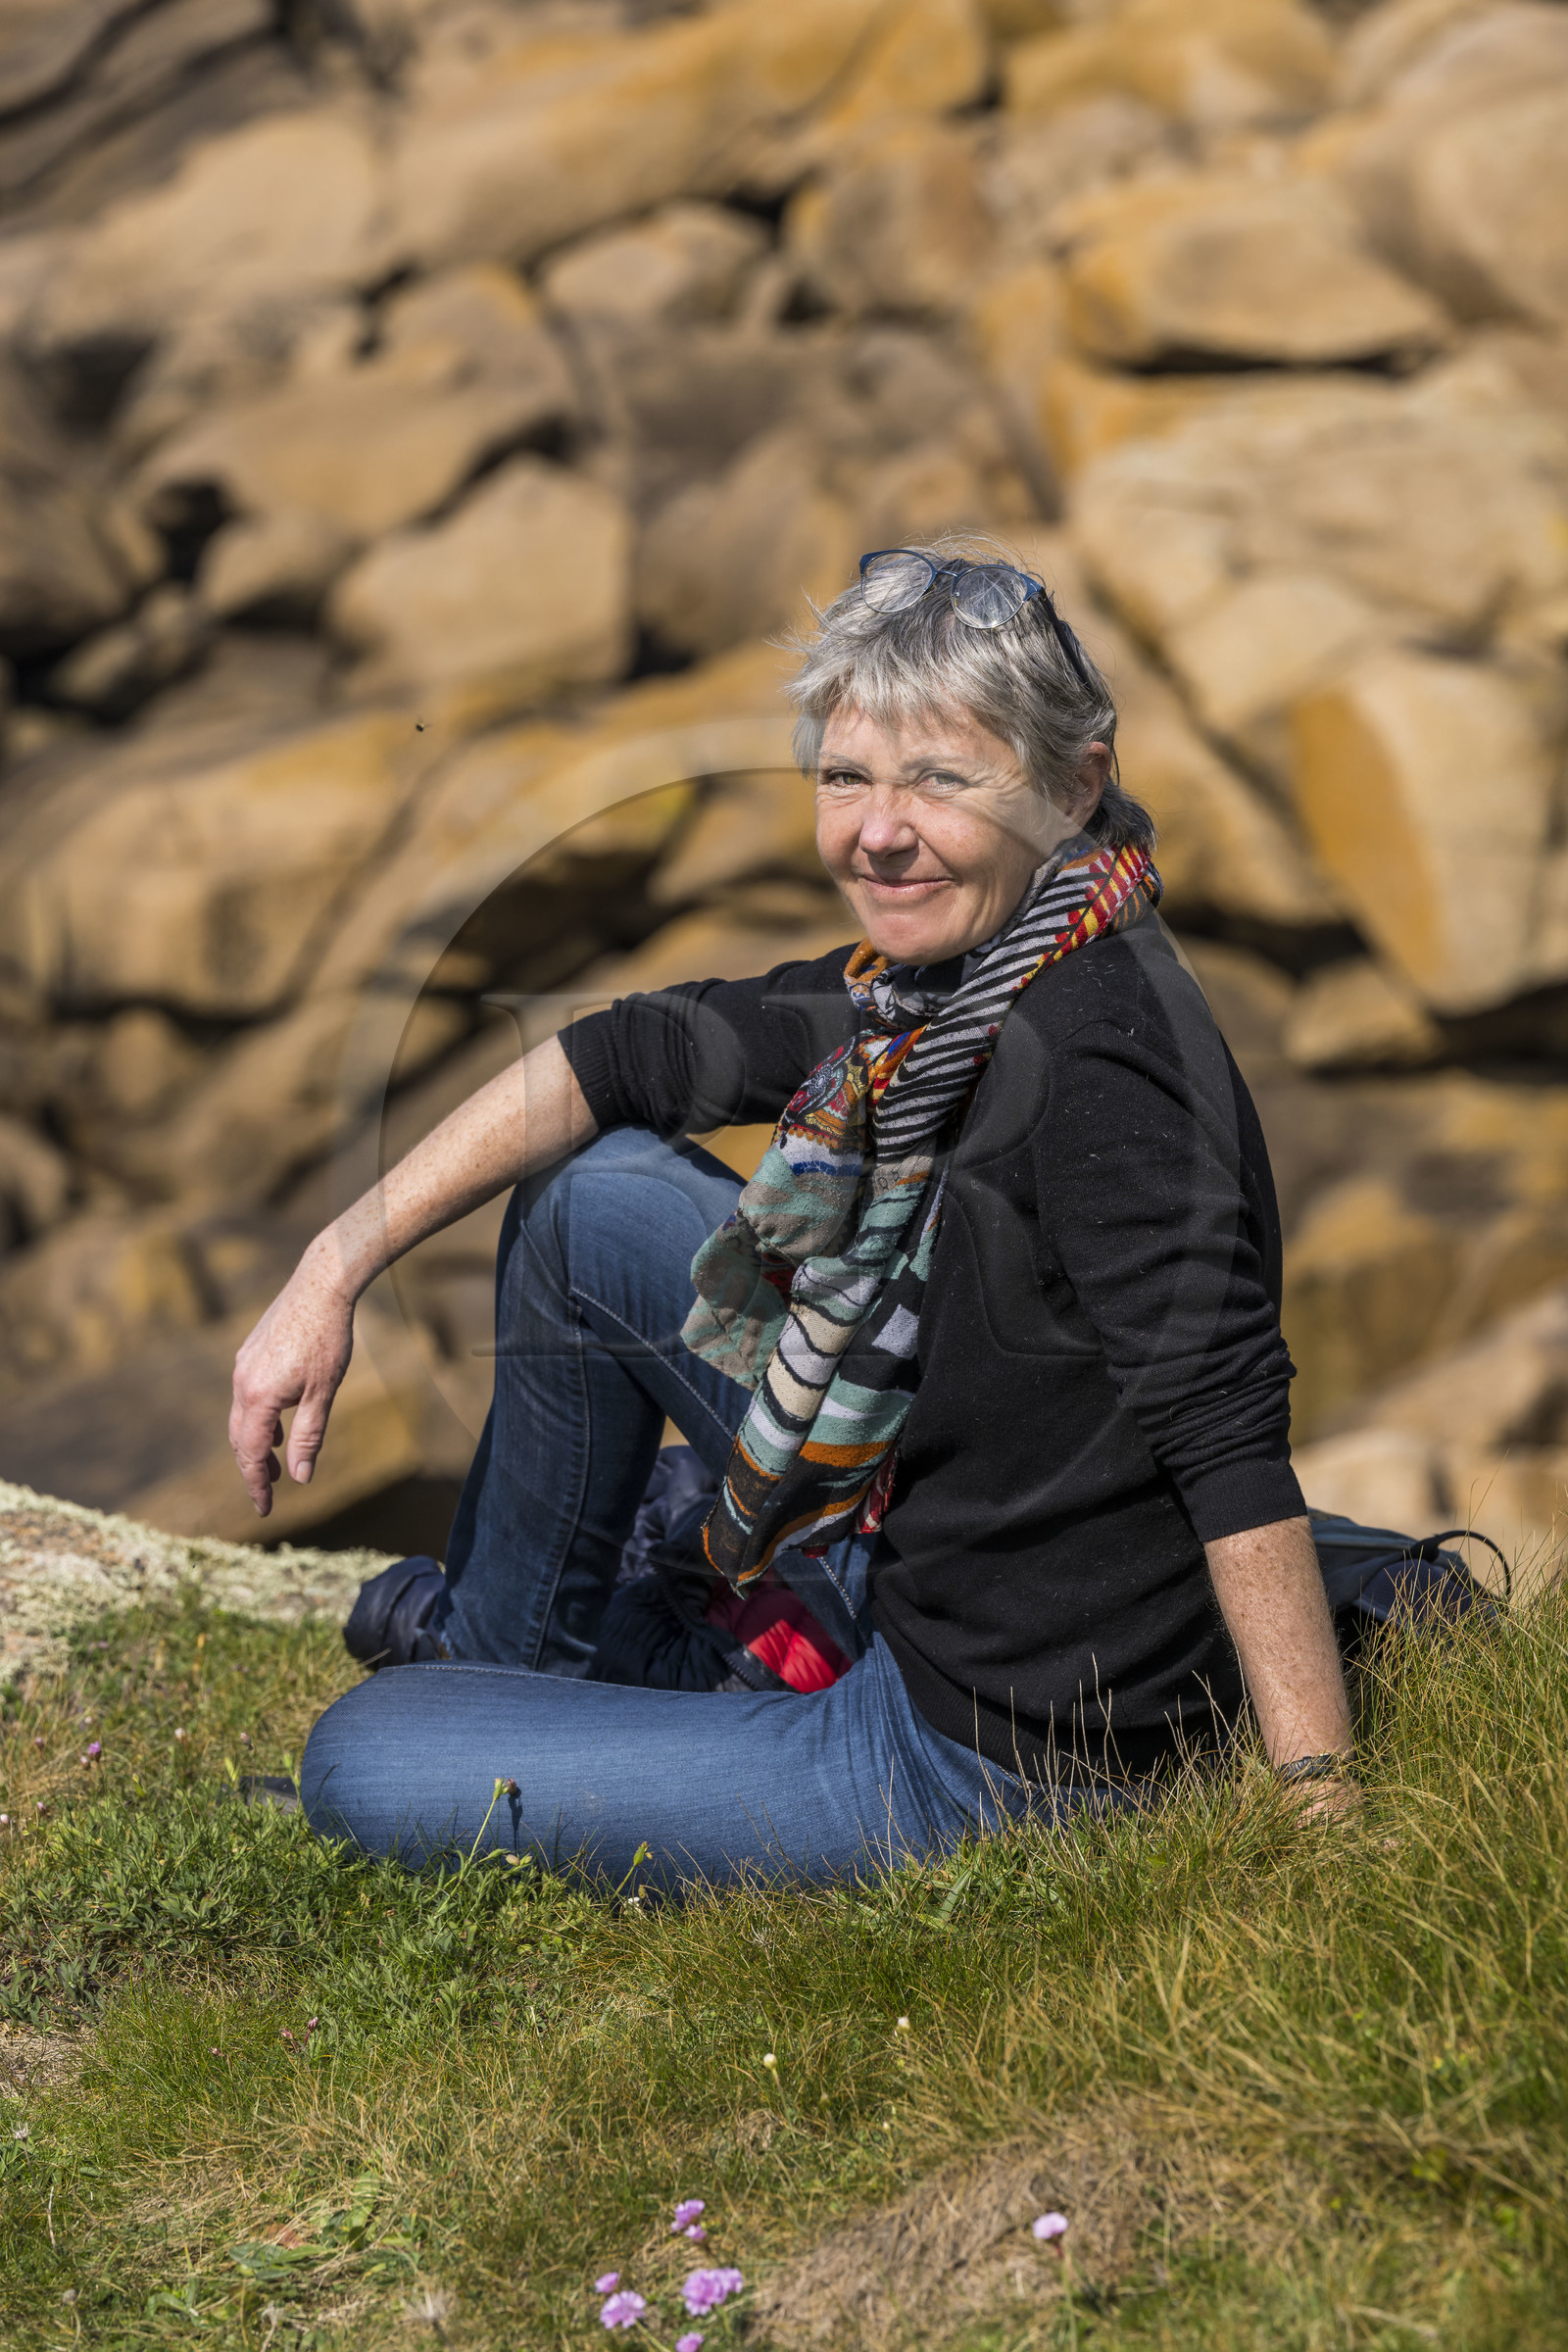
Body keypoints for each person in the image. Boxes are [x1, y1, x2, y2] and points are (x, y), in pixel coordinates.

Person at [229, 544, 1354, 1886]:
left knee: (357, 1757)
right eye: (845, 776)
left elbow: (1225, 1431)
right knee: (593, 1203)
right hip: (939, 1551)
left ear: (1074, 785)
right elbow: (626, 1053)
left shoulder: (1098, 1053)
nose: (877, 832)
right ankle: (515, 1666)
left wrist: (1320, 1823)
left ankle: (563, 1692)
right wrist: (332, 1261)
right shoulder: (939, 991)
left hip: (992, 1760)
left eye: (942, 778)